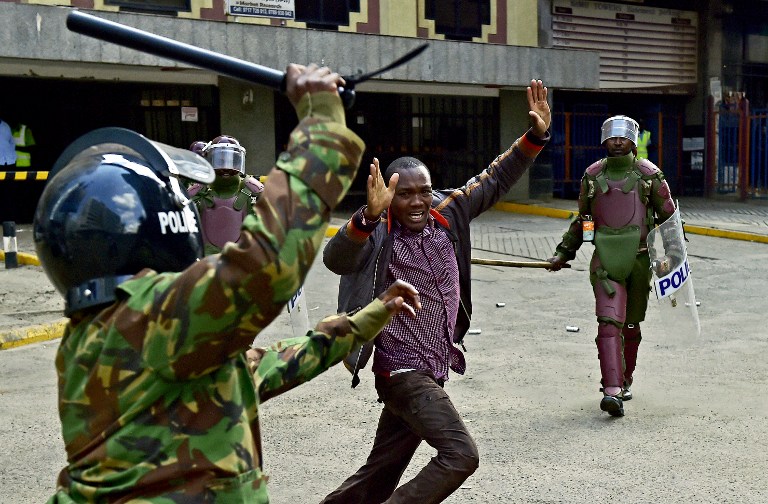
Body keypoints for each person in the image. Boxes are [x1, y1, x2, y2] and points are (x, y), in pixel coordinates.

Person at [35, 63, 370, 503]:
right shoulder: (154, 317)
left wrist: (368, 318)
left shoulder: (96, 333)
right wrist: (321, 118)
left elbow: (257, 368)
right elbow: (268, 265)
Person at [320, 79, 551, 504]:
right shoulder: (379, 229)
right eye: (403, 193)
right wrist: (366, 219)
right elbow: (336, 258)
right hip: (402, 371)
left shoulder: (449, 212)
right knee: (461, 454)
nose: (415, 201)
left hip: (432, 367)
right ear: (388, 196)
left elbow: (494, 179)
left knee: (378, 473)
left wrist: (534, 137)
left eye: (422, 191)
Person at [547, 114, 676, 417]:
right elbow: (586, 220)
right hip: (604, 261)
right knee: (608, 324)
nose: (617, 141)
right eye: (612, 136)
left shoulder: (649, 175)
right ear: (604, 140)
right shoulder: (592, 176)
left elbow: (669, 218)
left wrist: (673, 258)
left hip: (641, 260)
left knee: (630, 325)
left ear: (632, 140)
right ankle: (612, 391)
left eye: (623, 136)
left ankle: (626, 379)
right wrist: (564, 252)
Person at [187, 135, 265, 255]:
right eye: (220, 161)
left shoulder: (254, 190)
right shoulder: (197, 192)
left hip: (244, 261)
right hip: (206, 263)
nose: (226, 168)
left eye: (231, 161)